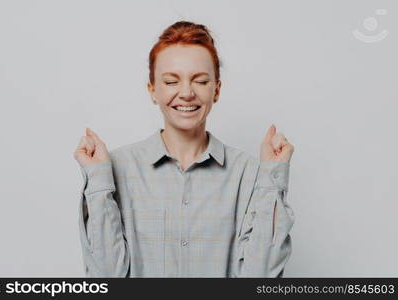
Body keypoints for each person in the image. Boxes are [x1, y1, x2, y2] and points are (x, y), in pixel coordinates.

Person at [73, 21, 295, 277]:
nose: (187, 93)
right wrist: (98, 180)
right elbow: (105, 277)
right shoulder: (116, 168)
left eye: (200, 81)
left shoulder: (251, 173)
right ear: (152, 90)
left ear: (217, 90)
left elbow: (261, 277)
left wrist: (272, 177)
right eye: (171, 81)